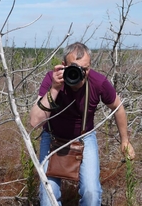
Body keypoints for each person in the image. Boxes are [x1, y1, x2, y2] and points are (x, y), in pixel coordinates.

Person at [29, 42, 135, 206]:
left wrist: (125, 141)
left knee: (91, 193)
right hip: (52, 138)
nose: (80, 73)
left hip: (84, 137)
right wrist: (55, 88)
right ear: (63, 66)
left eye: (84, 69)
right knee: (48, 196)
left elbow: (118, 107)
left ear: (90, 67)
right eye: (74, 68)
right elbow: (35, 122)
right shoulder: (52, 79)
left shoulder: (98, 82)